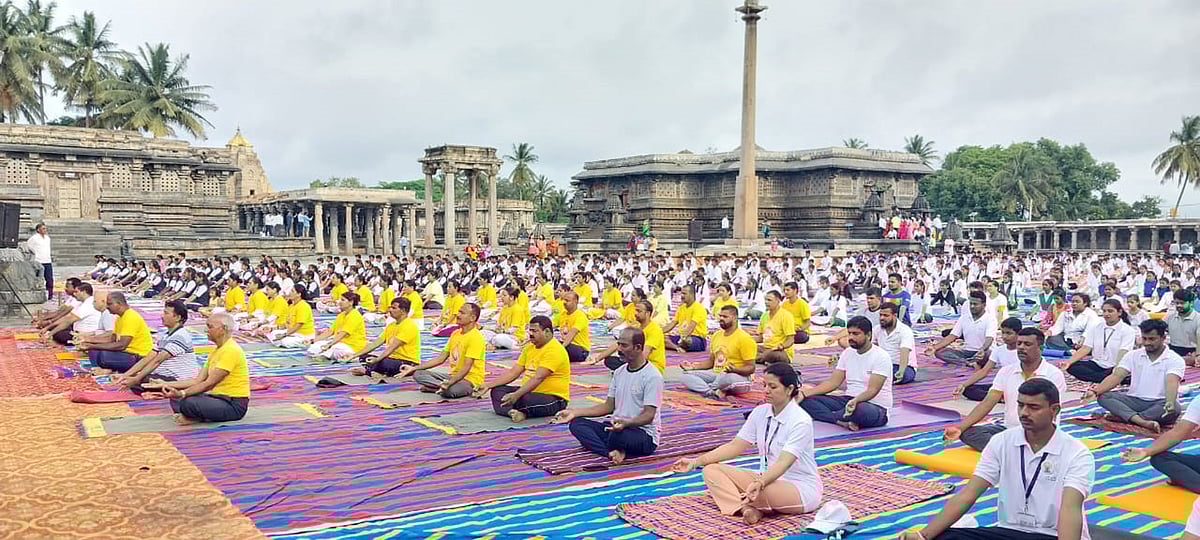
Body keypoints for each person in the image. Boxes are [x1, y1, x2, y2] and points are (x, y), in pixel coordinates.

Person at [901, 378, 1094, 540]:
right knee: (943, 537)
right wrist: (923, 536)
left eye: (1034, 407)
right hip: (1010, 531)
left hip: (1051, 535)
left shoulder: (1076, 453)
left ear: (1055, 410)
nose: (1024, 413)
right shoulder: (1002, 442)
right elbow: (968, 494)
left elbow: (1070, 509)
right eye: (1021, 405)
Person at [672, 363, 822, 525]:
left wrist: (760, 482)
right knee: (711, 470)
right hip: (766, 478)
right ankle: (746, 509)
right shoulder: (761, 412)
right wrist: (695, 462)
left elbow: (784, 462)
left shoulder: (801, 421)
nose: (766, 390)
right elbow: (735, 446)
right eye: (764, 385)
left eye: (772, 386)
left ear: (789, 389)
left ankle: (745, 503)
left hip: (798, 488)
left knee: (755, 489)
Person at [944, 327, 1067, 452]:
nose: (1021, 348)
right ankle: (1013, 452)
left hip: (1038, 431)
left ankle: (1010, 451)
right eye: (1019, 343)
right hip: (1010, 430)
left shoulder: (1053, 374)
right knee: (969, 433)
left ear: (1040, 348)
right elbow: (987, 403)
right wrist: (959, 428)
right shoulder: (1006, 372)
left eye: (1027, 344)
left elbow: (1051, 413)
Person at [553, 327, 663, 465]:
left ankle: (613, 448)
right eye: (618, 344)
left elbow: (649, 416)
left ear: (638, 347)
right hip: (617, 427)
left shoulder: (652, 376)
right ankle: (612, 452)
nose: (619, 349)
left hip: (641, 434)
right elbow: (608, 406)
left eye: (624, 345)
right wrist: (574, 413)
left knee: (617, 436)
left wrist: (626, 423)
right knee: (577, 424)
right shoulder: (619, 372)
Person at [142, 313, 250, 425]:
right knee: (177, 399)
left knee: (188, 402)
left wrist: (182, 393)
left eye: (210, 327)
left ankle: (196, 416)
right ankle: (197, 415)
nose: (206, 330)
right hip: (216, 398)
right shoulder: (217, 350)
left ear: (223, 329)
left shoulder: (231, 350)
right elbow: (197, 381)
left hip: (232, 404)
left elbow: (208, 384)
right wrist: (165, 384)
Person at [1085, 319, 1184, 434]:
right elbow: (1117, 375)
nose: (1147, 343)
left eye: (1152, 339)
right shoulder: (1133, 355)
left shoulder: (1175, 359)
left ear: (1163, 338)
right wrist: (1095, 391)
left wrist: (1170, 402)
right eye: (1144, 338)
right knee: (1104, 396)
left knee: (1175, 408)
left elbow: (1171, 382)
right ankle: (1142, 421)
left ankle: (1127, 417)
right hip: (1134, 401)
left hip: (1159, 403)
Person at [798, 316, 891, 431]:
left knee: (860, 410)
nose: (851, 337)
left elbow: (873, 390)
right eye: (849, 333)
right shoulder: (847, 353)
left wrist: (856, 401)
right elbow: (833, 383)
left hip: (873, 406)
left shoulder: (881, 356)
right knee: (806, 401)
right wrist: (804, 394)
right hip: (848, 400)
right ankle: (840, 420)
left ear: (868, 335)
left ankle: (833, 416)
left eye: (856, 334)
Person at [474, 315, 571, 422]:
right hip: (529, 392)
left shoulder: (554, 350)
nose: (530, 334)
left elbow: (538, 378)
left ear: (547, 332)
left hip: (552, 398)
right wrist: (488, 385)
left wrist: (516, 395)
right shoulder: (529, 348)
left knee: (525, 399)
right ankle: (514, 412)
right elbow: (514, 372)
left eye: (535, 331)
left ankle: (518, 411)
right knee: (498, 391)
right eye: (530, 330)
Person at [396, 303, 485, 398]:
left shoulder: (476, 337)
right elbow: (440, 359)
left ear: (472, 318)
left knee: (451, 392)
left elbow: (466, 367)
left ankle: (439, 387)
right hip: (453, 377)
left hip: (469, 380)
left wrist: (450, 382)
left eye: (462, 313)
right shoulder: (455, 333)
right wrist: (413, 368)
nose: (458, 315)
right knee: (419, 373)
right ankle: (440, 387)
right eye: (458, 311)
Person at [111, 300, 201, 393]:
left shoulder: (180, 336)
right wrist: (125, 375)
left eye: (166, 313)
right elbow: (150, 356)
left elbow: (157, 360)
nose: (162, 316)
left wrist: (136, 378)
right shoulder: (165, 334)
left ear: (178, 317)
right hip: (163, 374)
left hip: (177, 378)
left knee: (142, 380)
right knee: (136, 379)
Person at [679, 305, 756, 398]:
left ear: (735, 318)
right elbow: (710, 362)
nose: (721, 319)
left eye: (725, 317)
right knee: (685, 375)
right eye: (720, 316)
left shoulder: (744, 338)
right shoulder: (716, 335)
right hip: (716, 373)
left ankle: (711, 387)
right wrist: (693, 366)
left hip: (737, 376)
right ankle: (711, 391)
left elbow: (751, 368)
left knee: (727, 379)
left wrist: (735, 370)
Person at [77, 292, 153, 374]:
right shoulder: (119, 317)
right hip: (126, 353)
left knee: (103, 356)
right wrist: (88, 341)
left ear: (119, 304)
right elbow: (112, 339)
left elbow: (121, 345)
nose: (107, 307)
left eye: (109, 304)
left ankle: (110, 369)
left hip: (138, 356)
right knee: (94, 351)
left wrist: (92, 345)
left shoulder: (130, 317)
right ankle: (104, 369)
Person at [1063, 298, 1136, 383]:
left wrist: (1117, 369)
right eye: (1104, 311)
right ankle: (1108, 379)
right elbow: (1086, 348)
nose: (1106, 314)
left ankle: (1109, 378)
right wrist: (1068, 362)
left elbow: (1124, 352)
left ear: (1119, 312)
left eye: (1110, 311)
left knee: (1119, 372)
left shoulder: (1128, 330)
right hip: (1097, 364)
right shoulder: (1096, 327)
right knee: (1073, 366)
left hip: (1115, 366)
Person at [347, 297, 421, 378]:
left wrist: (377, 360)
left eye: (394, 308)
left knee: (384, 363)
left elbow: (392, 347)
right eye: (390, 307)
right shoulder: (391, 325)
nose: (390, 310)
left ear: (403, 310)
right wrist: (354, 355)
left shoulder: (409, 326)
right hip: (391, 358)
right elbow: (376, 343)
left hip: (406, 362)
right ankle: (376, 371)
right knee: (364, 357)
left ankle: (369, 371)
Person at [587, 299, 666, 373]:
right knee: (610, 360)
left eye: (639, 311)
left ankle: (628, 371)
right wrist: (597, 359)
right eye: (635, 310)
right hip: (636, 361)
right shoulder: (638, 327)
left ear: (648, 313)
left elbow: (645, 354)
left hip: (652, 366)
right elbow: (618, 344)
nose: (635, 314)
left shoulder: (654, 330)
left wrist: (631, 364)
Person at [956, 317, 1022, 402]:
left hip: (1019, 384)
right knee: (968, 390)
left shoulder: (1023, 350)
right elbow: (984, 371)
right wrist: (963, 385)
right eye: (1003, 333)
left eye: (1009, 333)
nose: (1004, 336)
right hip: (1003, 384)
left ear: (1018, 334)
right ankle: (1001, 398)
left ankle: (1002, 397)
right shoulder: (999, 350)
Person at [928, 291, 996, 367]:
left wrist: (982, 350)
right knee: (939, 352)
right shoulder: (964, 318)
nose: (972, 306)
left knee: (989, 354)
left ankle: (971, 362)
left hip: (983, 352)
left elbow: (989, 338)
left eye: (975, 304)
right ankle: (968, 363)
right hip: (967, 351)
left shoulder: (990, 319)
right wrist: (934, 348)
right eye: (971, 304)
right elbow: (952, 336)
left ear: (984, 305)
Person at [305, 292, 367, 360]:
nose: (339, 302)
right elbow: (330, 331)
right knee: (315, 346)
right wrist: (313, 341)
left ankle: (324, 356)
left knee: (336, 349)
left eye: (343, 300)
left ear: (351, 302)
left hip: (352, 347)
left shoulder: (354, 315)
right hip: (339, 343)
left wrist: (330, 344)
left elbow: (342, 334)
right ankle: (325, 354)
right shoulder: (341, 315)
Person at [874, 302, 918, 385]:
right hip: (883, 364)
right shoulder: (877, 329)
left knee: (902, 375)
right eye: (880, 315)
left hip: (903, 366)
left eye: (886, 315)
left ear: (895, 315)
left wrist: (901, 371)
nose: (882, 318)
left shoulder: (905, 330)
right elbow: (870, 347)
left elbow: (904, 351)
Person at [751, 291, 795, 364]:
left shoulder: (786, 316)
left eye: (769, 300)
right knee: (747, 348)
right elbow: (760, 338)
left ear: (778, 301)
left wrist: (781, 346)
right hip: (765, 348)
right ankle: (762, 358)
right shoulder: (764, 315)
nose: (766, 302)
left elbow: (790, 340)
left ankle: (759, 358)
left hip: (780, 351)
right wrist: (747, 340)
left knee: (774, 354)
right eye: (765, 300)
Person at [663, 285, 708, 352]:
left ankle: (675, 345)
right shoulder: (681, 308)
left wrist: (682, 339)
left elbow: (691, 327)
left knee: (687, 341)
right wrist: (658, 332)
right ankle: (677, 348)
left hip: (697, 339)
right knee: (661, 338)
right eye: (681, 293)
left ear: (692, 295)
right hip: (681, 337)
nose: (682, 296)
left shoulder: (699, 308)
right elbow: (672, 323)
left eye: (684, 293)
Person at [1166, 288, 1200, 364]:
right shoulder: (1170, 317)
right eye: (1176, 303)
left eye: (1182, 303)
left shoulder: (1198, 319)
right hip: (1173, 352)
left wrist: (1198, 355)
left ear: (1191, 303)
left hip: (1192, 353)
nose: (1179, 305)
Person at [558, 291, 591, 362]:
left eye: (567, 300)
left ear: (575, 301)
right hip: (566, 344)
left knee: (559, 349)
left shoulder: (580, 316)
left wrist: (561, 348)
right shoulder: (563, 314)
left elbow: (572, 333)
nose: (564, 302)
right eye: (564, 300)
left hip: (580, 349)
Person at [26, 222, 52, 300]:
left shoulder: (47, 238)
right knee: (37, 278)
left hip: (47, 260)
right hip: (38, 261)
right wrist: (35, 253)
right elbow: (28, 246)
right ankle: (35, 294)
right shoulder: (34, 238)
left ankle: (50, 295)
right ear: (38, 230)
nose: (45, 230)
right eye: (43, 228)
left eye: (45, 228)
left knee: (49, 279)